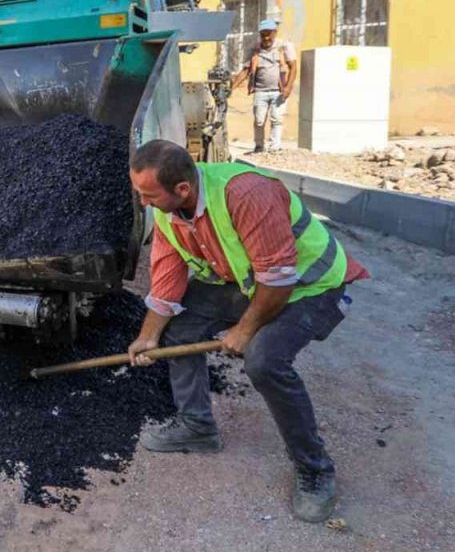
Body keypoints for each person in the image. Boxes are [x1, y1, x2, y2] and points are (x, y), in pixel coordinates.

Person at [125, 140, 370, 523]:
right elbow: (167, 281)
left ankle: (315, 470)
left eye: (149, 195)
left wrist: (244, 330)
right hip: (254, 284)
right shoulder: (168, 213)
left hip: (311, 286)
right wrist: (148, 337)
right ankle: (197, 426)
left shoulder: (247, 195)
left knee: (264, 361)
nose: (143, 203)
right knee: (181, 327)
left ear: (183, 189)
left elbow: (279, 280)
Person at [231, 19, 295, 153]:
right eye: (263, 34)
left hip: (279, 90)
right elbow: (246, 70)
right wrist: (232, 87)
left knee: (277, 119)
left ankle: (275, 147)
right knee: (259, 120)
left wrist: (288, 87)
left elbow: (293, 67)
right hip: (260, 91)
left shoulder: (283, 46)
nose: (266, 38)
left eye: (269, 34)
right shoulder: (255, 49)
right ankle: (259, 146)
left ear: (275, 33)